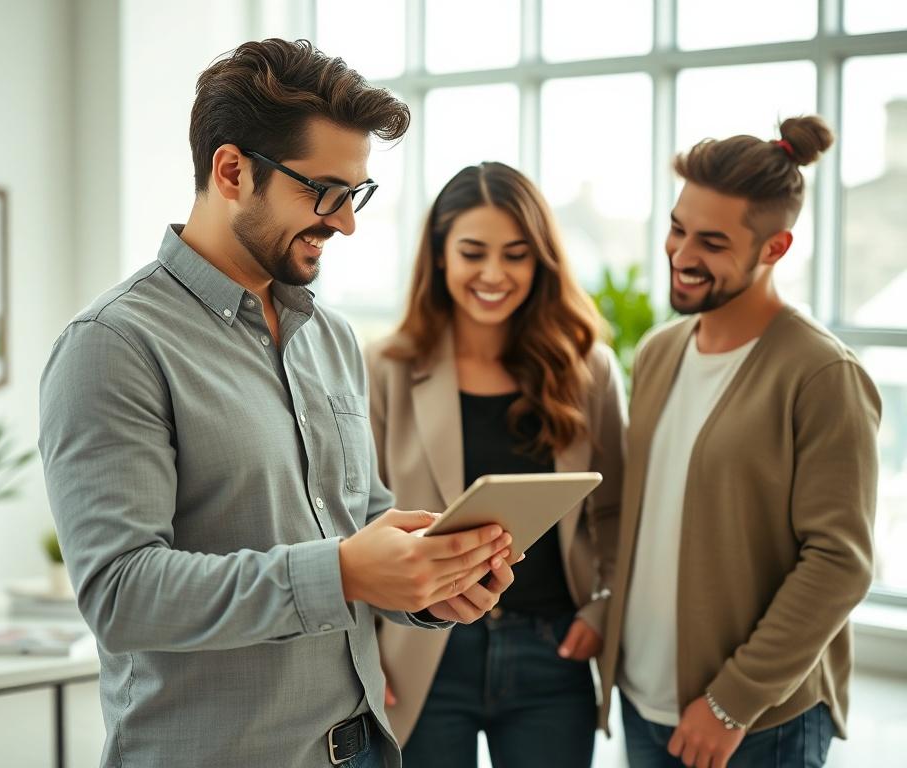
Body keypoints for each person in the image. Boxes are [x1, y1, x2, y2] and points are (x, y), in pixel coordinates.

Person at [38, 39, 517, 768]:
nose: (347, 222)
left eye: (355, 195)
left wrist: (425, 584)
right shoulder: (113, 345)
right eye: (324, 191)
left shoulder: (330, 336)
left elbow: (356, 518)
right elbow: (121, 592)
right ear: (232, 171)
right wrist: (347, 571)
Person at [598, 116, 882, 768]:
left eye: (713, 243)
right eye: (677, 228)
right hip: (645, 702)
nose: (681, 255)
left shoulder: (822, 374)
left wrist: (731, 701)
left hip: (755, 724)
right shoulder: (661, 350)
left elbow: (840, 562)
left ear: (775, 249)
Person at [365, 162, 626, 768]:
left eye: (515, 254)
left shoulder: (589, 370)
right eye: (472, 252)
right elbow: (354, 521)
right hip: (422, 648)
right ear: (439, 256)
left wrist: (601, 608)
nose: (493, 274)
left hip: (552, 650)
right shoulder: (385, 368)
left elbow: (614, 510)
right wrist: (362, 654)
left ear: (541, 262)